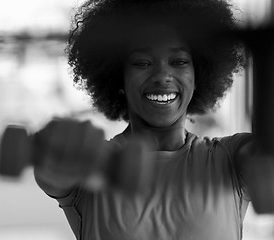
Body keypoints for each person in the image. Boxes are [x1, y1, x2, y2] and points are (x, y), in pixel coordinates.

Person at [34, 0, 257, 239]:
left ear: (198, 75)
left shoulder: (230, 160)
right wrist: (53, 151)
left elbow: (272, 154)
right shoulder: (93, 165)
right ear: (118, 77)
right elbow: (50, 173)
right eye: (142, 63)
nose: (162, 76)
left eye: (179, 62)